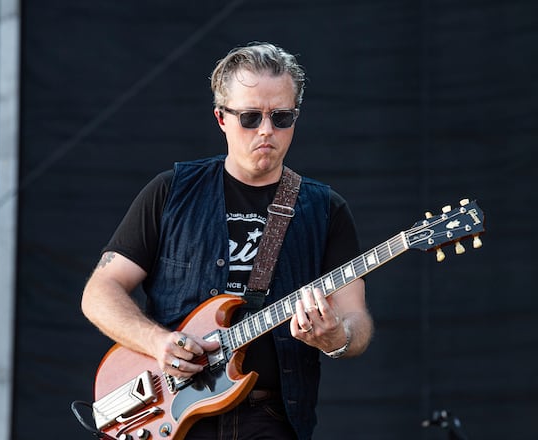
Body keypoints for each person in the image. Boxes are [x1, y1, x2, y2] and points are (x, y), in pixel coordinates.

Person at [81, 41, 374, 440]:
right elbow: (100, 291)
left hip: (271, 417)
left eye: (281, 117)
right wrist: (158, 341)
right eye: (250, 117)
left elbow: (356, 319)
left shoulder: (326, 209)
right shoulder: (171, 191)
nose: (267, 130)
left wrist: (336, 337)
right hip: (169, 410)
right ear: (221, 118)